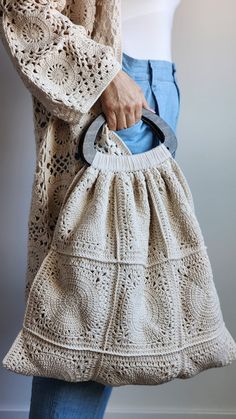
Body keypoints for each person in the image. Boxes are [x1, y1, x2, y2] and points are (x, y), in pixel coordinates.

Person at [0, 0, 181, 417]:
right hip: (117, 91)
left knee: (109, 309)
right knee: (83, 309)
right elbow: (23, 9)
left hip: (156, 91)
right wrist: (106, 75)